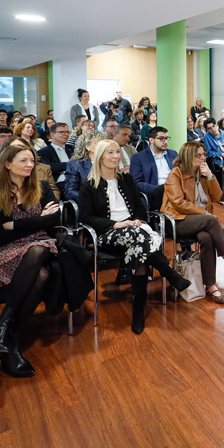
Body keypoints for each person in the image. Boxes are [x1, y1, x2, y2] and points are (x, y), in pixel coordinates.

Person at [80, 140, 191, 334]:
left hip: (134, 231)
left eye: (117, 152)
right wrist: (115, 224)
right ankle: (169, 273)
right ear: (99, 157)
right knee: (141, 238)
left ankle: (138, 311)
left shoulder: (127, 179)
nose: (116, 156)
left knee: (139, 247)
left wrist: (138, 220)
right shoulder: (89, 185)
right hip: (107, 234)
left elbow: (139, 206)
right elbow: (86, 217)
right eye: (110, 153)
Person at [0, 143, 61, 377]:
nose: (29, 165)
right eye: (23, 161)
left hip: (41, 247)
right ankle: (10, 339)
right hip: (5, 251)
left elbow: (55, 221)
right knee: (41, 272)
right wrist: (39, 221)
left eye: (32, 161)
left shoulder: (42, 187)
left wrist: (16, 224)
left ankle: (4, 329)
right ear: (7, 164)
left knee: (38, 249)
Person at [163, 141, 224, 303]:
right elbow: (178, 203)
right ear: (188, 156)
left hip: (202, 221)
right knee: (212, 220)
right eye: (198, 156)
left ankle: (211, 285)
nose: (202, 158)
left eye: (203, 155)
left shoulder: (202, 173)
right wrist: (203, 212)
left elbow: (218, 197)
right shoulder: (175, 174)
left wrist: (211, 177)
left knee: (206, 238)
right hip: (178, 220)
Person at [130, 126, 178, 208]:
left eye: (166, 138)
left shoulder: (173, 154)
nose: (165, 141)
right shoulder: (138, 157)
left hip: (176, 191)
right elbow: (137, 183)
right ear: (151, 140)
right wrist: (158, 189)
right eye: (161, 138)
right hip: (156, 194)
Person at [64, 131, 106, 202]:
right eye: (97, 144)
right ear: (87, 147)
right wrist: (88, 199)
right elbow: (70, 191)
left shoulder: (110, 163)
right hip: (89, 204)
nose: (101, 147)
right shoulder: (75, 165)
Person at [37, 122, 74, 193]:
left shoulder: (72, 149)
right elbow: (48, 168)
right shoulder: (43, 152)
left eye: (67, 132)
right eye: (62, 132)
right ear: (52, 135)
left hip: (76, 179)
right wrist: (69, 165)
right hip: (59, 182)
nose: (66, 134)